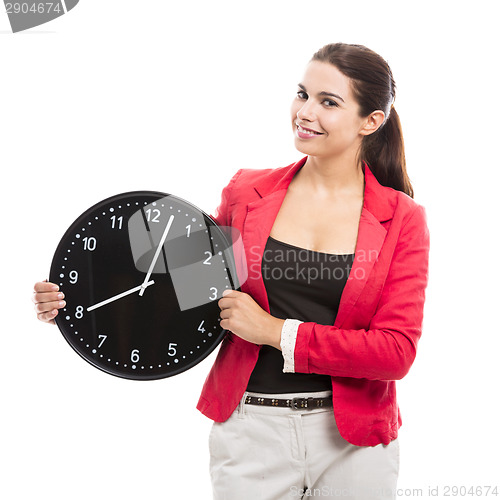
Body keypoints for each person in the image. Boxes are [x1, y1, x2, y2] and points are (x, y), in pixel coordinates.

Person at [33, 43, 430, 500]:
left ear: (371, 121)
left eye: (328, 102)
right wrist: (78, 300)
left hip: (355, 444)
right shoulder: (246, 193)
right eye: (302, 94)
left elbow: (395, 353)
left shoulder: (402, 218)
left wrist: (276, 332)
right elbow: (181, 295)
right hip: (251, 434)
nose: (304, 111)